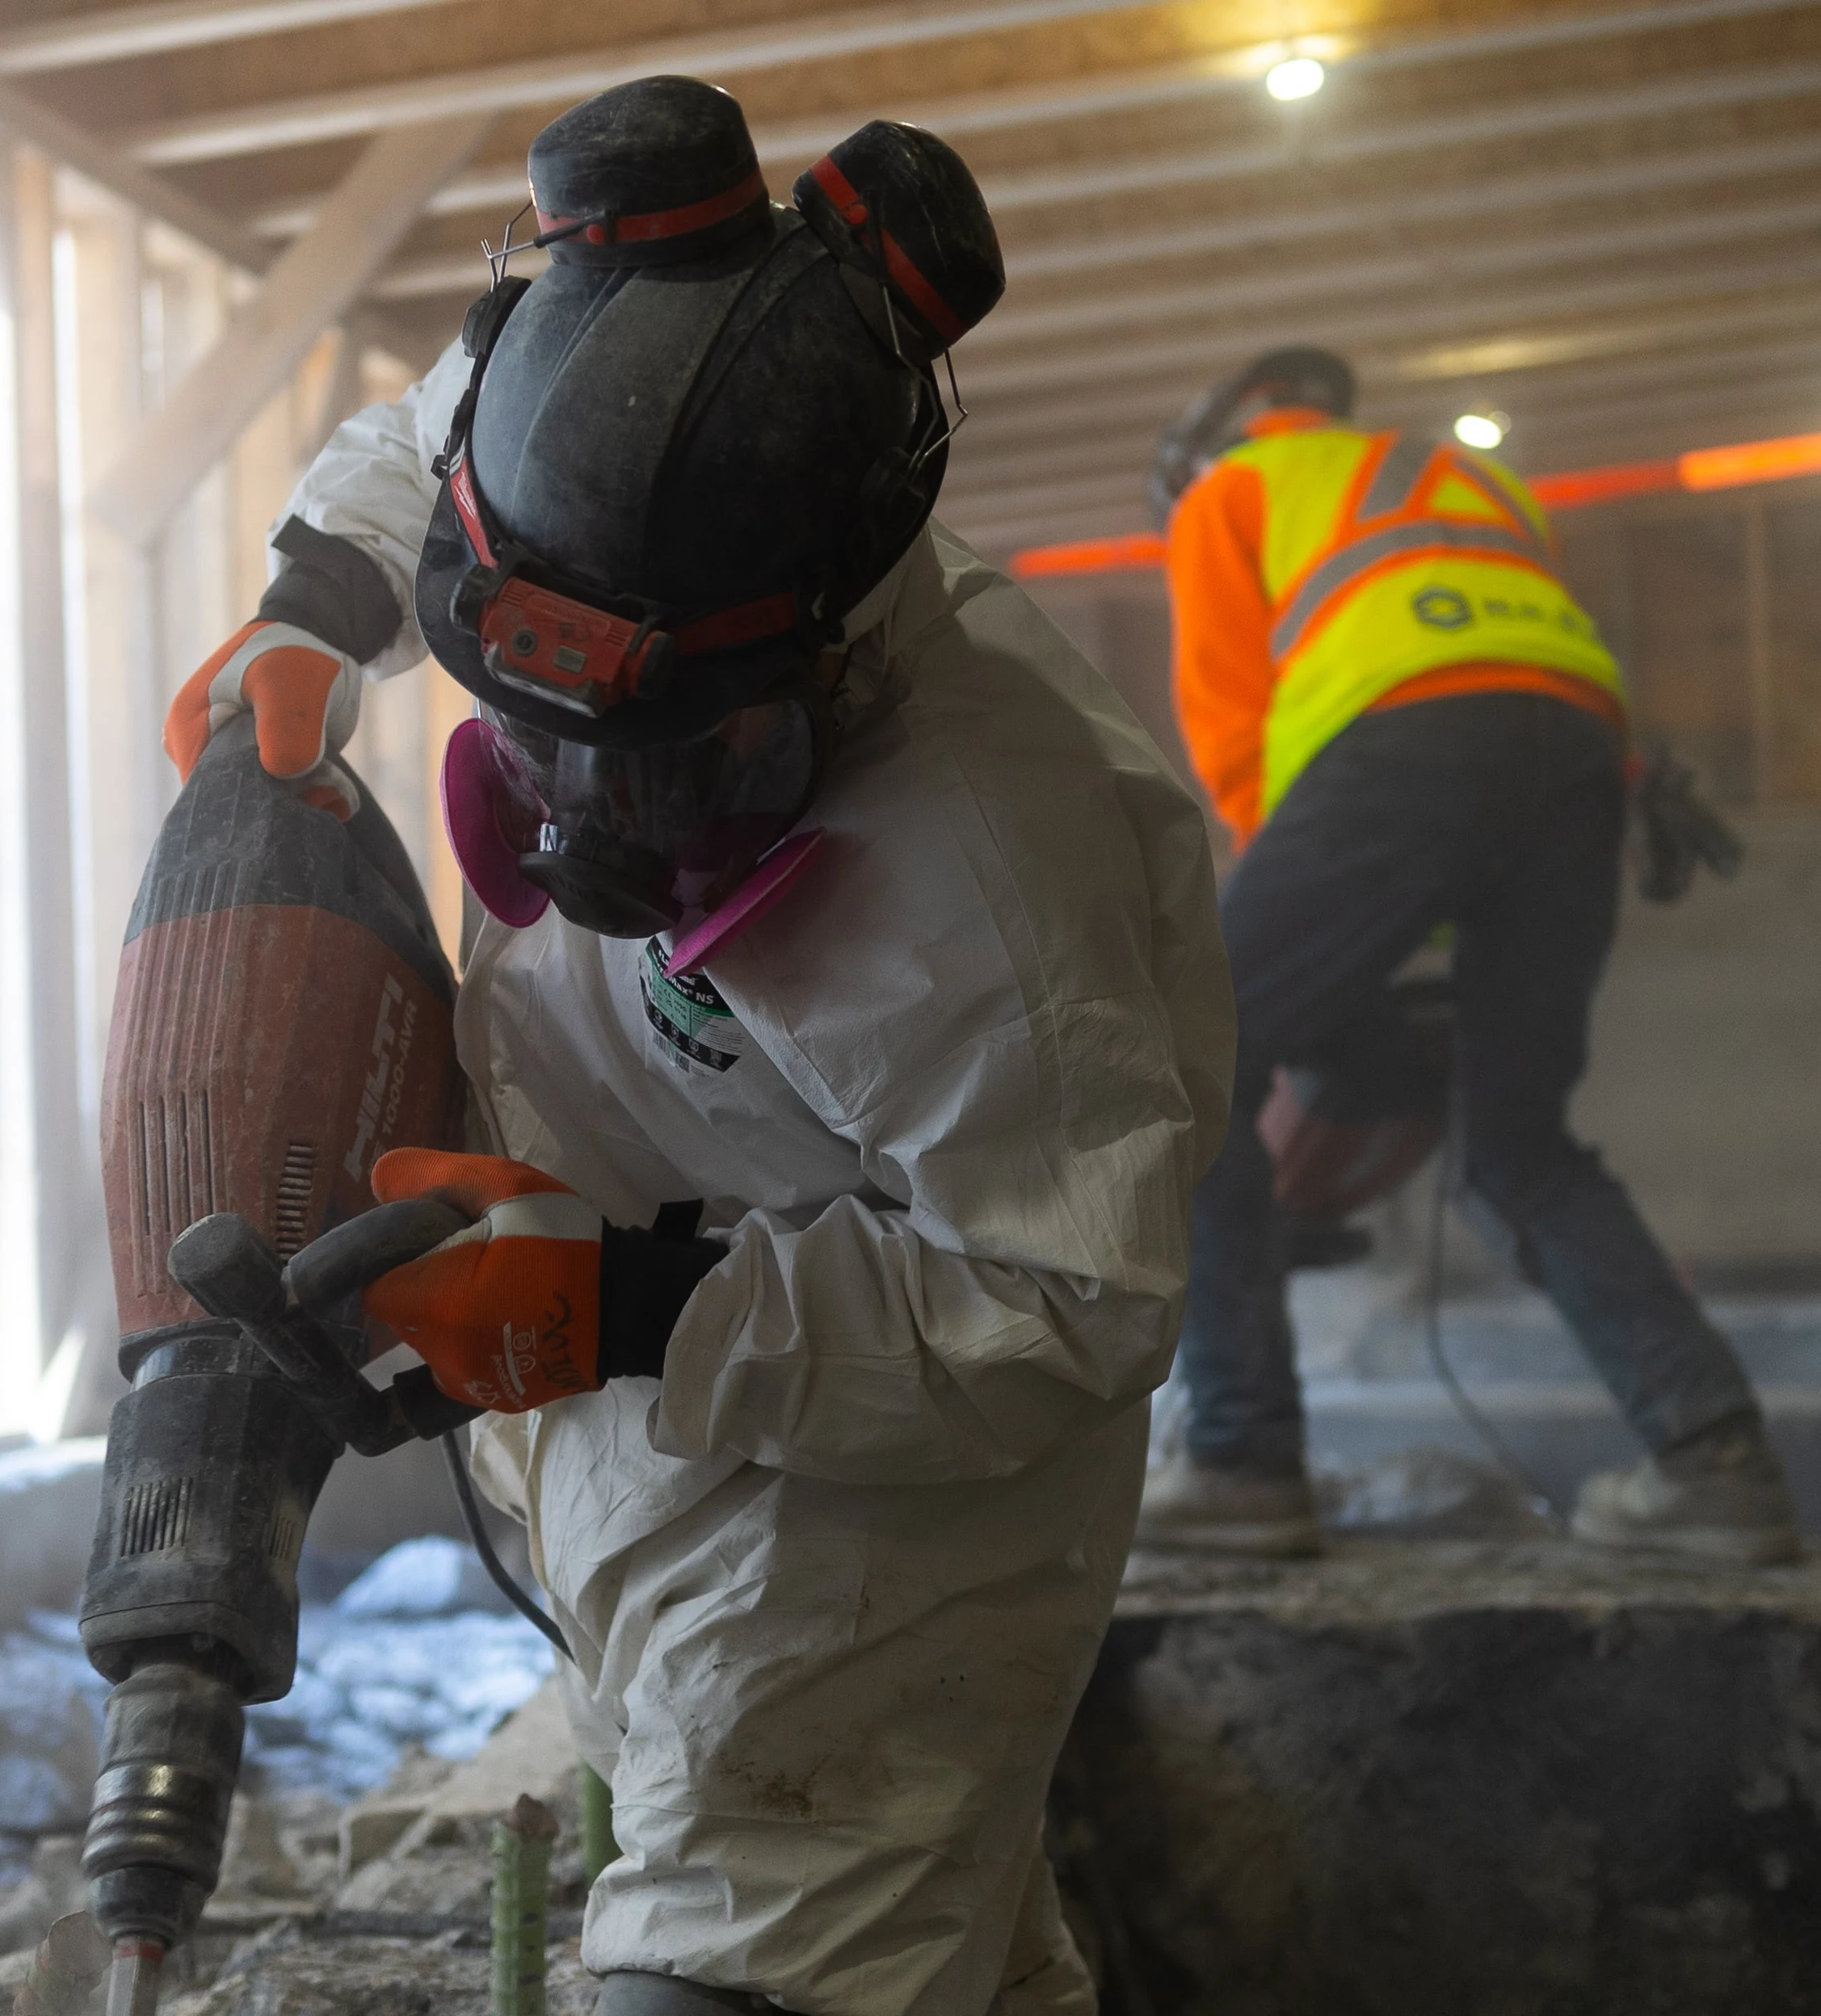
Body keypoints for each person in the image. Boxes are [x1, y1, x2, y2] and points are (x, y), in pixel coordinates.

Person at [163, 80, 1233, 2016]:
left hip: (878, 1507)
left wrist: (634, 1304)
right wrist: (315, 608)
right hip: (648, 1409)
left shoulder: (979, 861)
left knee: (748, 1954)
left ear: (824, 644)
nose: (583, 819)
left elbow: (1073, 1297)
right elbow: (425, 438)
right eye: (533, 729)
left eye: (671, 761)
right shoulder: (553, 412)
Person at [1136, 344, 1799, 1563]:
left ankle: (1237, 1460)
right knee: (1516, 1142)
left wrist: (1320, 963)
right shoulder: (1470, 481)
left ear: (1214, 447)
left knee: (1190, 1063)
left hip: (1401, 743)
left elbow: (1236, 747)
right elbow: (1508, 687)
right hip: (1584, 755)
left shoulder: (1229, 492)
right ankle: (1717, 1464)